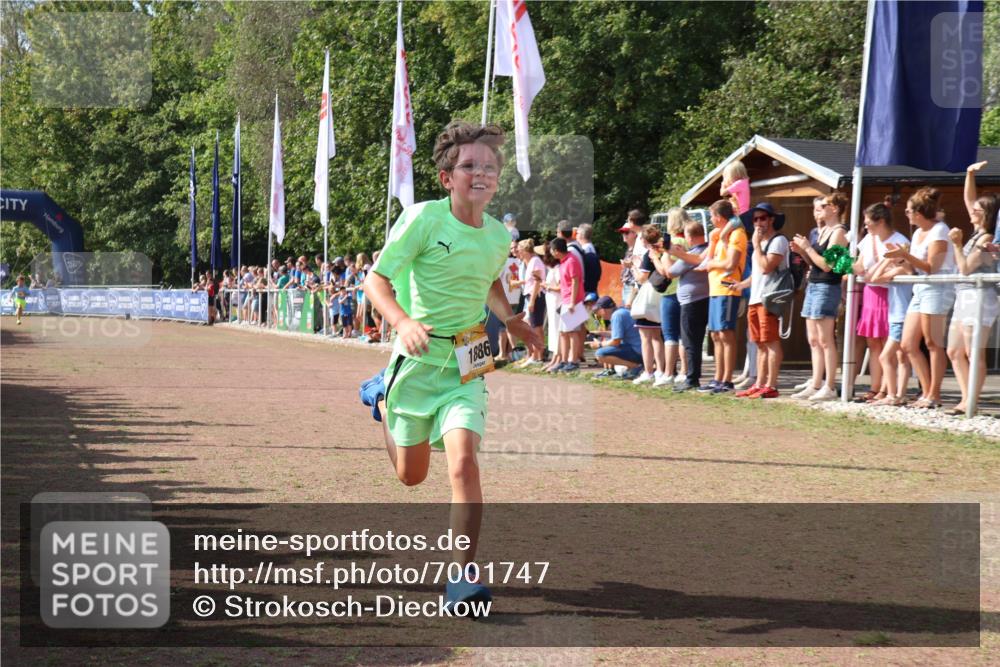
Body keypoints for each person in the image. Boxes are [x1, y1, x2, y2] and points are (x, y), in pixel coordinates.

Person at [359, 121, 540, 614]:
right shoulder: (423, 219)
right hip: (416, 358)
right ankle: (383, 398)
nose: (479, 172)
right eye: (468, 166)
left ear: (498, 178)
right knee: (411, 476)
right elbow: (376, 280)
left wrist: (513, 321)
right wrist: (401, 321)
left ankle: (461, 576)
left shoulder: (499, 235)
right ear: (447, 178)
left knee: (464, 462)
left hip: (468, 352)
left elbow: (488, 281)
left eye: (488, 166)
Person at [884, 187, 957, 409]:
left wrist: (906, 255)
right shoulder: (917, 234)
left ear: (918, 213)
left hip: (937, 287)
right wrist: (901, 261)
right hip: (921, 287)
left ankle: (934, 394)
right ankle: (927, 393)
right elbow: (916, 269)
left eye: (908, 211)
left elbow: (932, 267)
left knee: (933, 343)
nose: (906, 215)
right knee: (907, 344)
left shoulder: (939, 231)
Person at [947, 161, 999, 416]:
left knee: (973, 350)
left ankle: (971, 401)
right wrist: (969, 174)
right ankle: (966, 397)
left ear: (987, 214)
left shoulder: (987, 238)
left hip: (980, 296)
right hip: (964, 294)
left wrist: (956, 244)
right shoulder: (977, 231)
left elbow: (966, 267)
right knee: (954, 350)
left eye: (978, 210)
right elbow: (969, 200)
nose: (972, 210)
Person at [790, 193, 849, 401]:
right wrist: (802, 252)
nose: (819, 209)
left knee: (825, 339)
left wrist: (807, 248)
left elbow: (828, 265)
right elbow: (815, 263)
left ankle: (830, 385)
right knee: (813, 339)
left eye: (824, 205)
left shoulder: (839, 232)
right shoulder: (822, 231)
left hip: (827, 286)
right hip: (814, 285)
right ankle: (816, 383)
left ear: (835, 209)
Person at [851, 203, 909, 402]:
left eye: (868, 221)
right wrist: (845, 264)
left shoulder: (899, 240)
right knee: (873, 342)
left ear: (880, 221)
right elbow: (859, 263)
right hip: (870, 293)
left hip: (889, 294)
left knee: (887, 343)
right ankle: (875, 388)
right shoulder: (868, 239)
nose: (865, 225)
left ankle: (887, 389)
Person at [734, 203, 789, 399]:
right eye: (755, 219)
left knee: (771, 341)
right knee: (759, 343)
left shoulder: (778, 241)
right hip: (755, 298)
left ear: (771, 219)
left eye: (763, 218)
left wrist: (756, 245)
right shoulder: (761, 244)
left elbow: (766, 267)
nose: (758, 223)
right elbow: (757, 273)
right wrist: (740, 285)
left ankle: (771, 385)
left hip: (770, 299)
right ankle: (759, 383)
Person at [699, 200, 747, 394]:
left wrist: (711, 265)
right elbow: (711, 258)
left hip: (728, 289)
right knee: (715, 334)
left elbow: (730, 263)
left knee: (726, 334)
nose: (711, 220)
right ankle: (718, 377)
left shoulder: (738, 234)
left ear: (719, 217)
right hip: (715, 289)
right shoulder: (720, 236)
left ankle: (727, 379)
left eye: (712, 216)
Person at [664, 220, 711, 392]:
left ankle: (692, 377)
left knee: (690, 341)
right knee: (695, 340)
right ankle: (693, 375)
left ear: (689, 237)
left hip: (692, 303)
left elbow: (670, 272)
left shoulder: (693, 254)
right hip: (703, 299)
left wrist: (664, 255)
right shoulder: (704, 251)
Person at [648, 207, 689, 386]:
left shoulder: (671, 242)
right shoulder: (688, 241)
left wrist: (654, 258)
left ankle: (668, 372)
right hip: (686, 291)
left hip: (671, 291)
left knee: (670, 334)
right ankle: (684, 371)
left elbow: (666, 271)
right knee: (683, 335)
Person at [869, 255, 914, 406]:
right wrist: (887, 262)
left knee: (885, 357)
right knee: (901, 357)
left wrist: (886, 262)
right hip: (896, 316)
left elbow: (875, 279)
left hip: (900, 318)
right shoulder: (899, 270)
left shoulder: (901, 269)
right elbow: (873, 277)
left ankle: (892, 394)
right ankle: (900, 394)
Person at [632, 225, 666, 385]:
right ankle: (660, 370)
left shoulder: (648, 254)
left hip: (649, 298)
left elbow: (643, 278)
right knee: (657, 336)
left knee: (646, 337)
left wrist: (634, 269)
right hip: (660, 295)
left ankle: (649, 371)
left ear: (644, 240)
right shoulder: (663, 250)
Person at [550, 236, 584, 373]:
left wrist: (572, 302)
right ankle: (564, 360)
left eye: (552, 250)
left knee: (572, 332)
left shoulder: (571, 261)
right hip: (566, 300)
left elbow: (576, 281)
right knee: (563, 332)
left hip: (573, 301)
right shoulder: (564, 262)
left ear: (557, 250)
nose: (551, 253)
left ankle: (573, 361)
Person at [588, 296, 643, 378]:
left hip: (637, 351)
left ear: (603, 309)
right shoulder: (621, 312)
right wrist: (600, 333)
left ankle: (635, 367)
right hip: (640, 349)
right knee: (606, 347)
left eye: (598, 311)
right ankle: (633, 367)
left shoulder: (617, 316)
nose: (598, 315)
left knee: (600, 354)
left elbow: (615, 341)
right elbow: (618, 334)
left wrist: (599, 344)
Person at [513, 238, 546, 367]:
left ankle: (539, 357)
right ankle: (534, 355)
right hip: (531, 296)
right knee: (532, 327)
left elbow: (537, 282)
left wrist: (532, 301)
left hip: (536, 297)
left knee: (536, 328)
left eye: (519, 250)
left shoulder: (535, 261)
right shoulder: (530, 262)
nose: (518, 252)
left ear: (525, 250)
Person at [539, 244, 563, 371]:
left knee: (556, 330)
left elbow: (560, 287)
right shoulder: (553, 269)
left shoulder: (558, 269)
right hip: (552, 302)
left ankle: (558, 358)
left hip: (557, 303)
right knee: (552, 331)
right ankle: (554, 358)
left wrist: (547, 287)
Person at [617, 210, 645, 306]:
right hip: (628, 285)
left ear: (634, 233)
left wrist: (630, 265)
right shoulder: (629, 249)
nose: (623, 235)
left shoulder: (640, 243)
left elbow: (640, 268)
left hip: (634, 285)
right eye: (622, 232)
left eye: (626, 232)